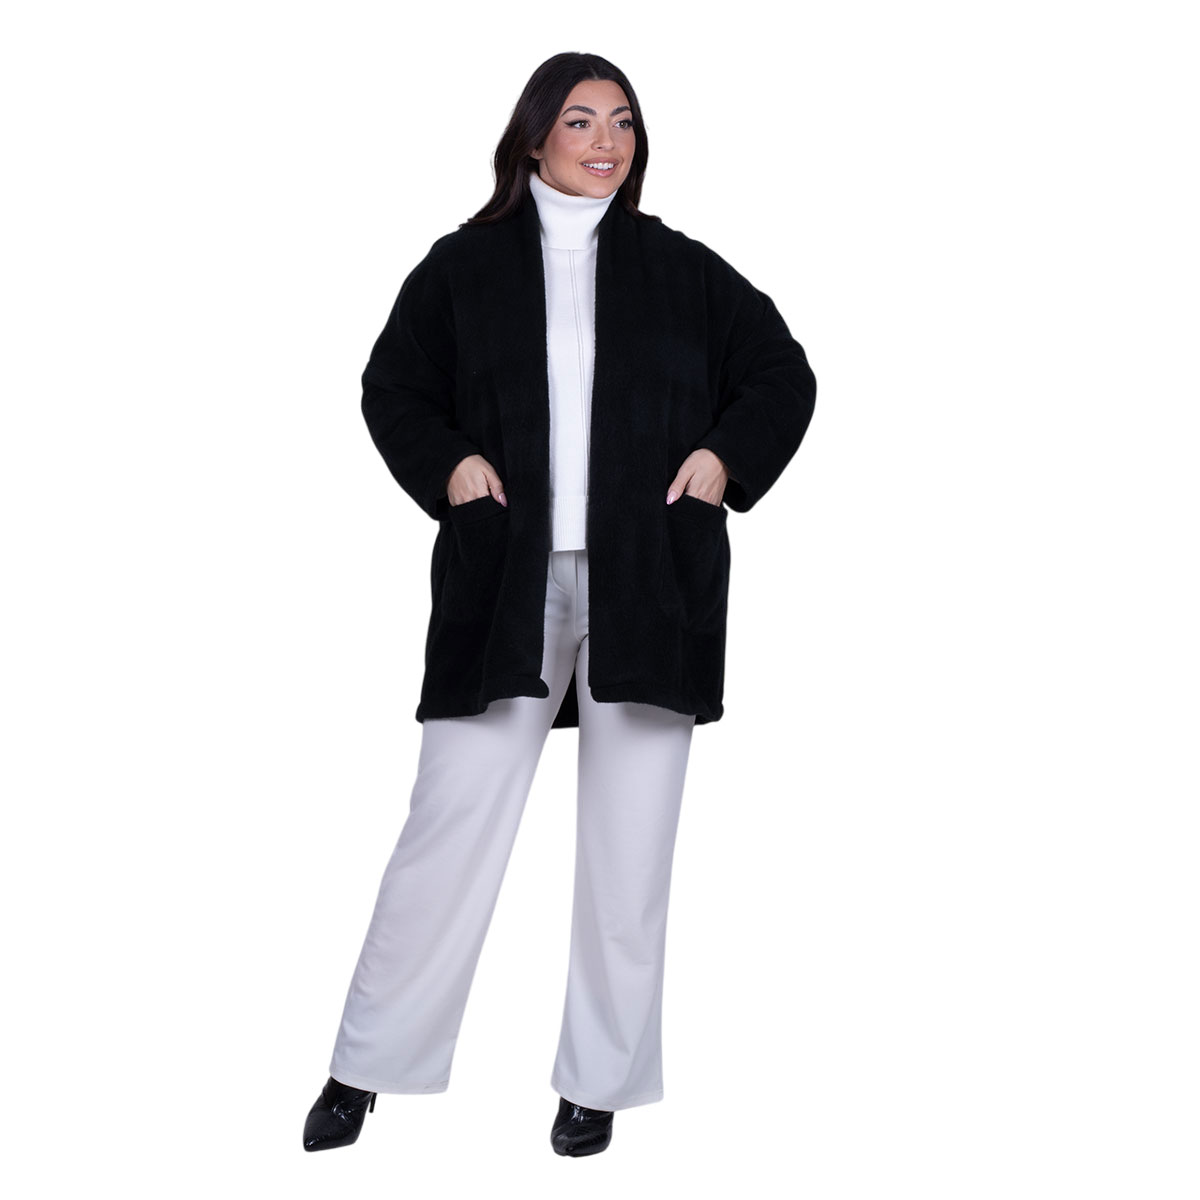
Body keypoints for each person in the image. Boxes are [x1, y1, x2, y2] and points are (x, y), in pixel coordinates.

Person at [303, 51, 817, 1158]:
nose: (605, 141)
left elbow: (782, 371)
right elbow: (394, 387)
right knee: (449, 827)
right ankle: (366, 1064)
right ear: (534, 137)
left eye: (622, 121)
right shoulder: (464, 266)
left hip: (651, 583)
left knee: (632, 851)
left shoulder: (682, 269)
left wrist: (726, 459)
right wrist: (449, 465)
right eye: (580, 121)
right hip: (507, 582)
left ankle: (599, 1084)